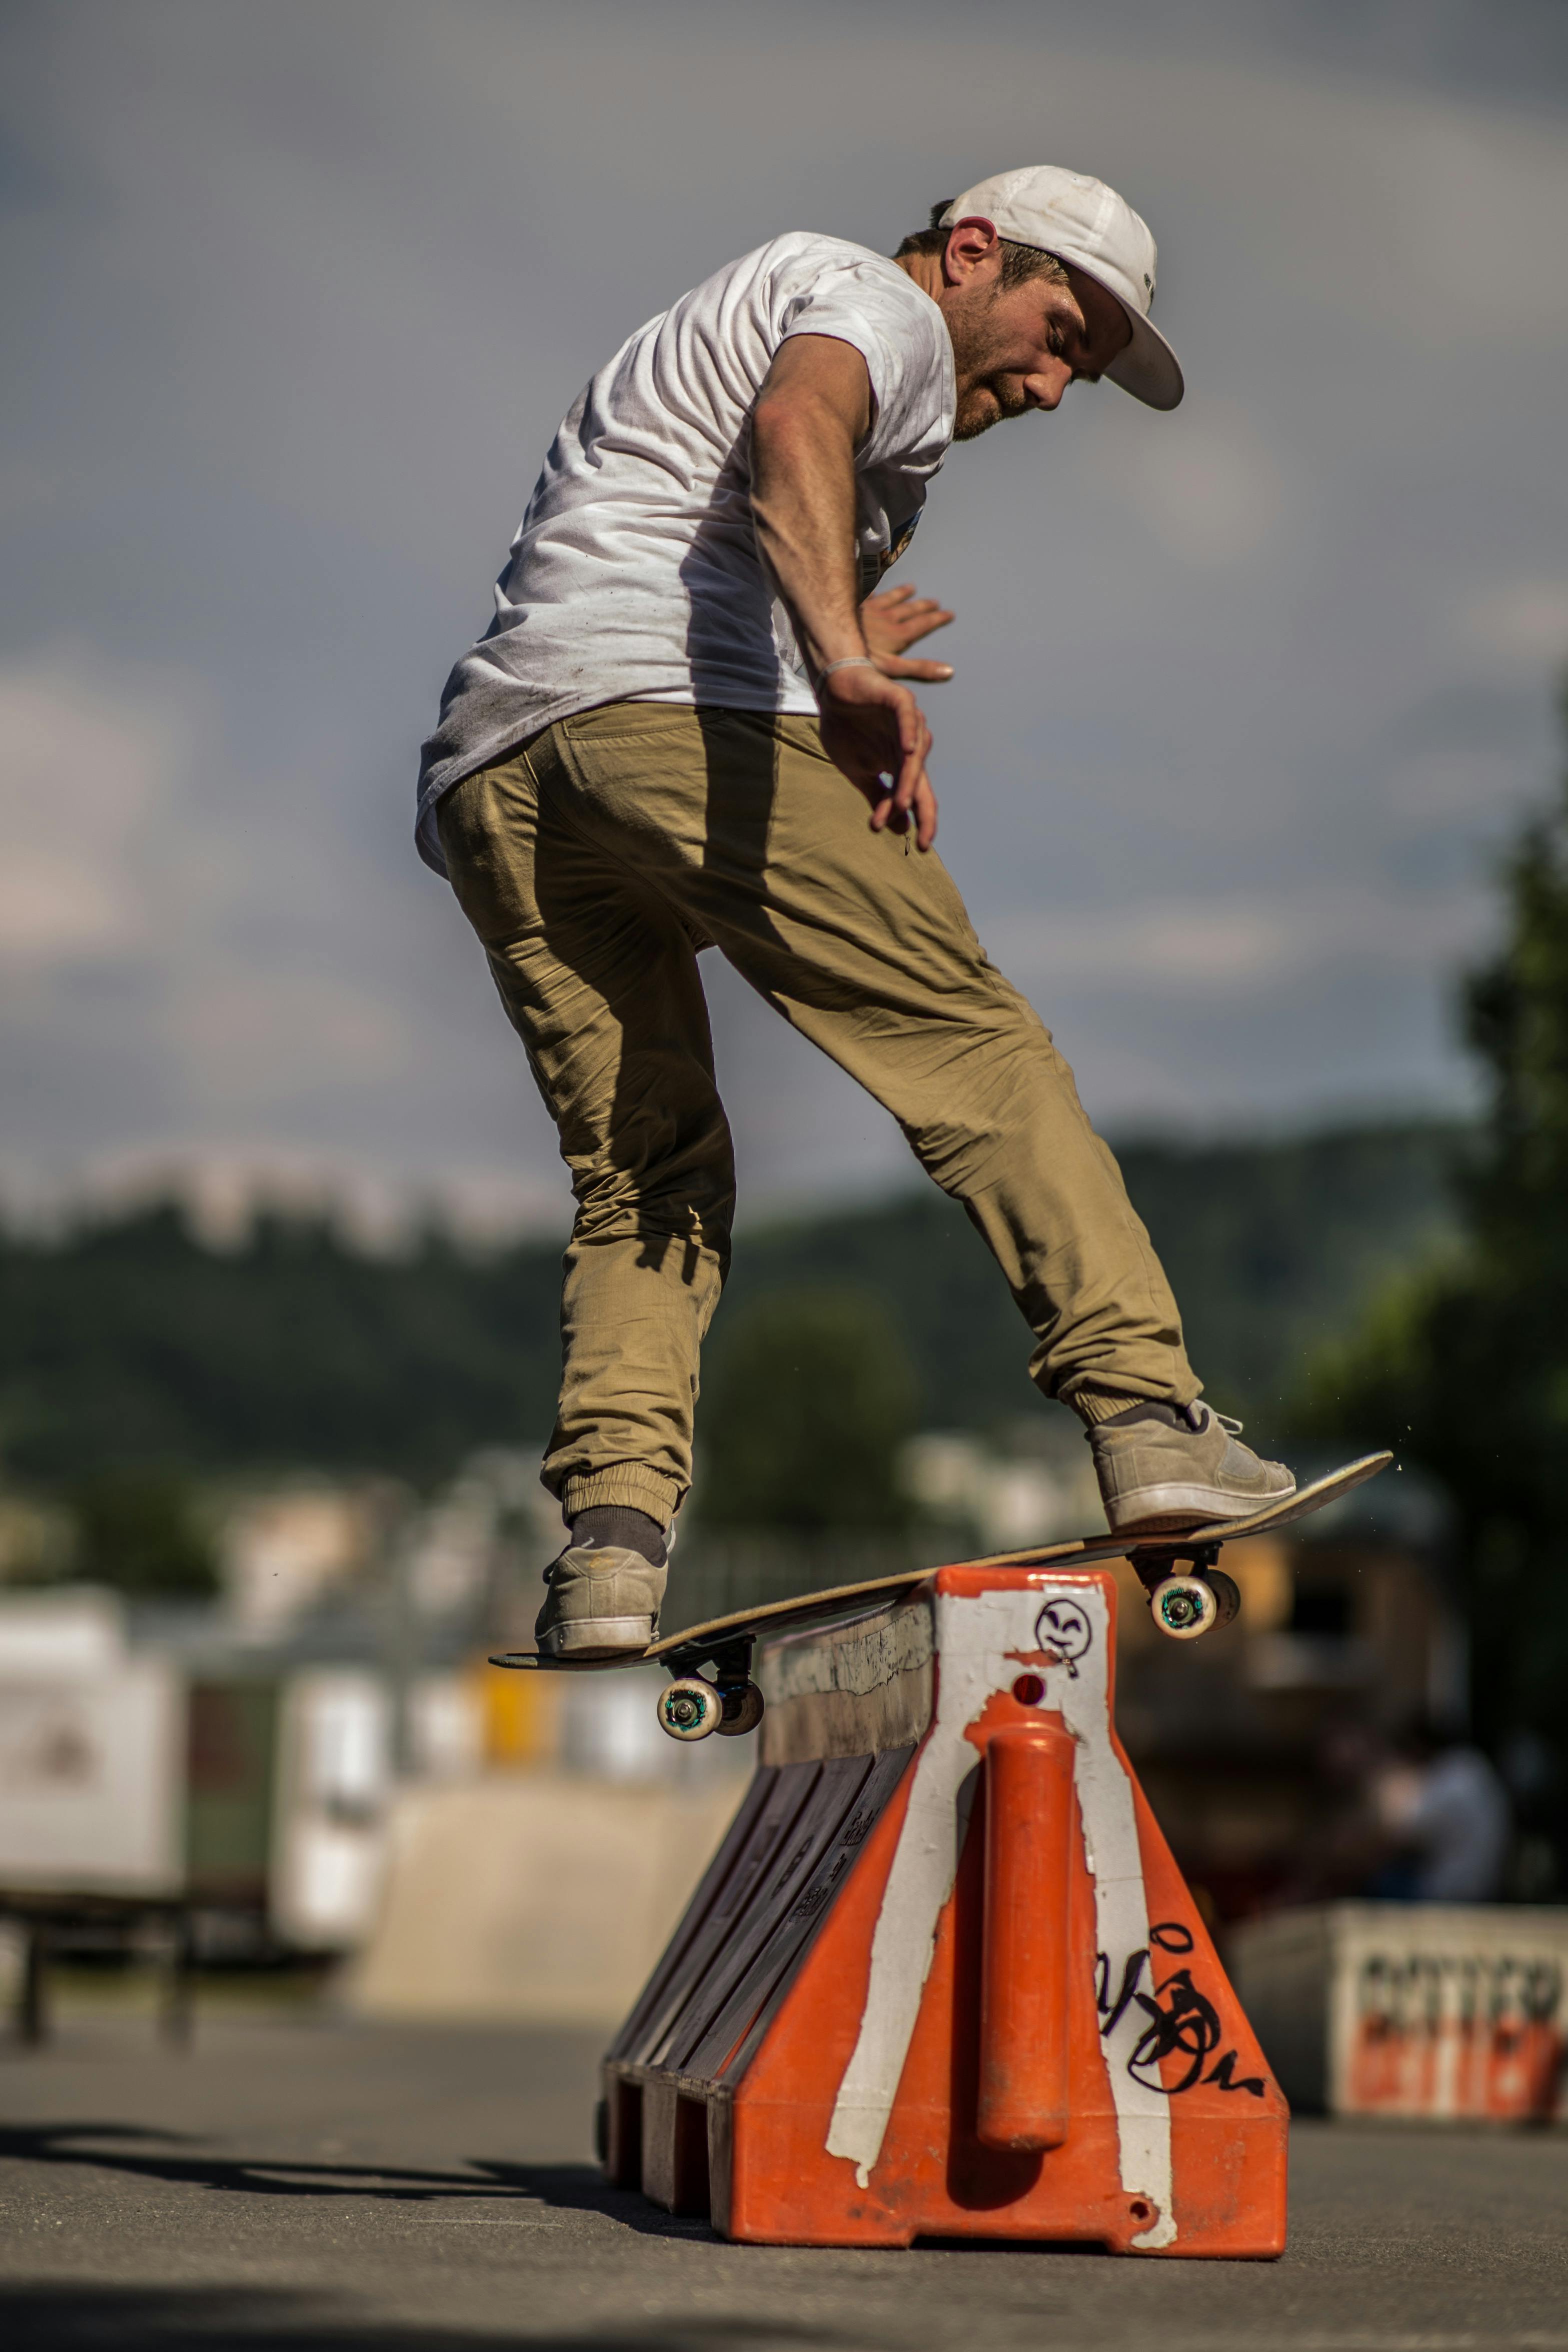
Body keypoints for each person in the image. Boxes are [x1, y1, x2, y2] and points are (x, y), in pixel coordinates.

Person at [418, 165, 1296, 1659]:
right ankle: (1150, 1415)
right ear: (970, 252)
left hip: (502, 768)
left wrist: (813, 628)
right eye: (1059, 332)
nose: (1054, 384)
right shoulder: (874, 306)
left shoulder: (753, 312)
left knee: (647, 1174)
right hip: (668, 719)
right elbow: (792, 429)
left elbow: (695, 509)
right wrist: (836, 662)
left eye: (1081, 363)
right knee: (978, 1051)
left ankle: (609, 1548)